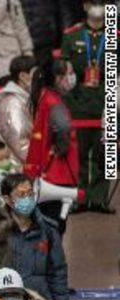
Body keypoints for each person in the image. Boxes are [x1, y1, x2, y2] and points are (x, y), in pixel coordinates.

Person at [60, 0, 111, 213]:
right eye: (93, 2)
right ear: (85, 6)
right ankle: (79, 199)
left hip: (106, 99)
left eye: (102, 3)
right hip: (79, 100)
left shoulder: (115, 37)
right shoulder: (72, 35)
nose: (97, 7)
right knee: (78, 152)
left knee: (104, 152)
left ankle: (99, 199)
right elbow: (63, 68)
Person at [0, 173, 70, 300]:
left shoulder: (48, 230)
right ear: (7, 199)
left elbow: (57, 272)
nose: (27, 199)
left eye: (30, 194)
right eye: (21, 195)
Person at [23, 60, 80, 232]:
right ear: (57, 78)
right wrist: (61, 147)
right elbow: (63, 126)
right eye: (68, 73)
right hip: (58, 175)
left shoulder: (44, 97)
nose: (72, 78)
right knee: (55, 227)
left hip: (45, 174)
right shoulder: (54, 102)